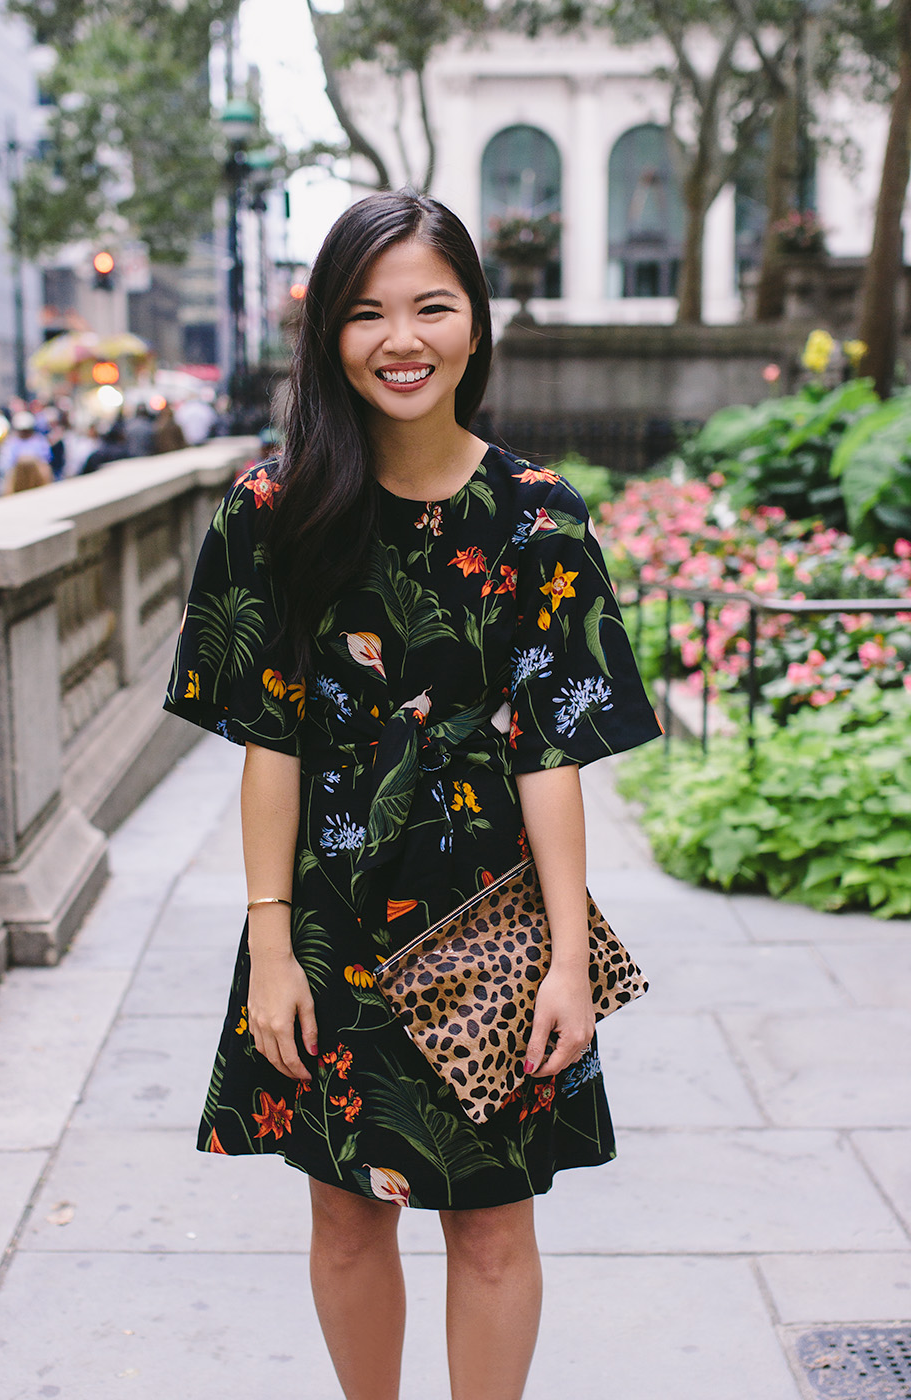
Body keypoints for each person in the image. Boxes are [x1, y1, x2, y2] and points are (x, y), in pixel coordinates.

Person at [164, 191, 662, 1400]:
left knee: (492, 1221)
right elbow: (268, 740)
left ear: (474, 325)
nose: (403, 338)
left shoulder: (537, 513)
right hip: (331, 914)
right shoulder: (273, 512)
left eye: (432, 305)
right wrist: (269, 945)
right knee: (347, 1216)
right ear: (327, 333)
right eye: (366, 311)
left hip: (487, 921)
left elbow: (550, 750)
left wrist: (562, 954)